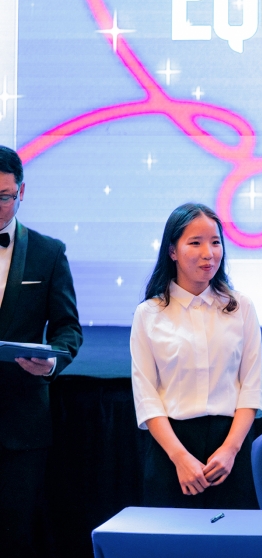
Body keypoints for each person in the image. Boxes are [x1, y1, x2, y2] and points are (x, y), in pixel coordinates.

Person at [131, 203, 262, 509]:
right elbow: (146, 396)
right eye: (195, 243)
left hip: (230, 449)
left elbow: (251, 387)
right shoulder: (149, 314)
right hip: (171, 451)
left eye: (215, 242)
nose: (209, 253)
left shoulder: (241, 307)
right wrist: (179, 457)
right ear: (172, 251)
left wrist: (230, 450)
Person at [0, 145, 83, 556]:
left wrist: (51, 362)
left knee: (15, 535)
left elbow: (68, 328)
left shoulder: (49, 252)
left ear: (22, 192)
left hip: (22, 422)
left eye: (4, 196)